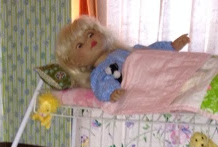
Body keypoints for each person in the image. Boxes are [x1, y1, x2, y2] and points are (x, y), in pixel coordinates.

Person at [55, 15, 190, 102]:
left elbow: (147, 52)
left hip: (157, 76)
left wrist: (171, 46)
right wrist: (112, 92)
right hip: (144, 89)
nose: (88, 40)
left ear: (101, 32)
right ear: (77, 63)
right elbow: (102, 85)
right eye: (80, 45)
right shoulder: (99, 72)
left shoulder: (124, 51)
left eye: (90, 34)